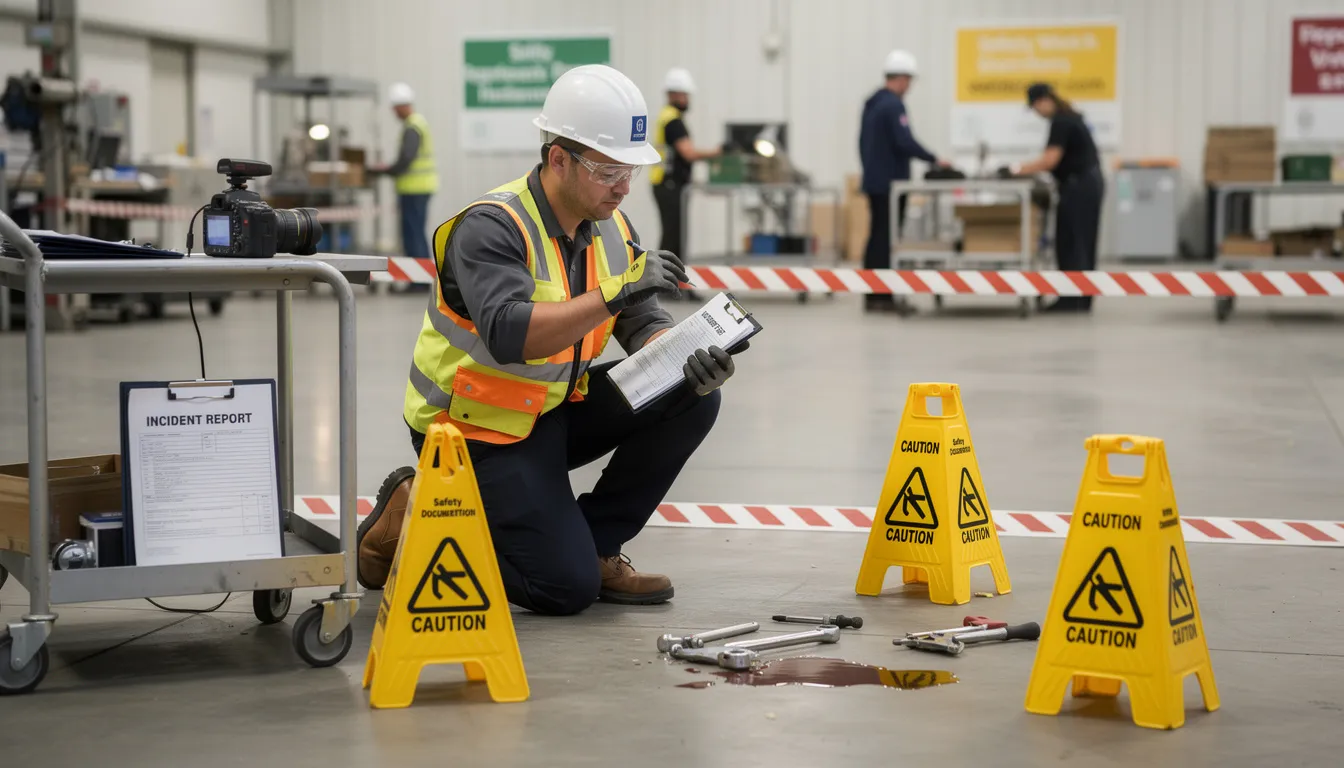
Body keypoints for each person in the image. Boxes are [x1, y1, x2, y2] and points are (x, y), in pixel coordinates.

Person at [356, 64, 746, 616]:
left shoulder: (613, 224)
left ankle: (596, 546)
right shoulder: (492, 227)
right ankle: (415, 513)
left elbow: (640, 319)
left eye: (630, 170)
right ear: (558, 158)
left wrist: (680, 354)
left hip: (552, 408)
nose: (623, 187)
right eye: (608, 170)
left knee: (692, 396)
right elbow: (510, 334)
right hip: (474, 429)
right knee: (563, 589)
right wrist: (614, 293)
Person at [858, 49, 950, 314]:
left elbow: (862, 144)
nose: (909, 86)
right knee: (885, 239)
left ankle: (874, 295)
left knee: (877, 237)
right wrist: (934, 159)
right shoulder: (893, 105)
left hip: (875, 181)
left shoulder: (872, 103)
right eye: (909, 80)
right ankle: (883, 297)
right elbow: (904, 141)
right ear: (901, 78)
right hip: (890, 184)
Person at [1002, 83, 1104, 313]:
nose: (1037, 113)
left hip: (1078, 186)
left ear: (1044, 100)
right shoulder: (1070, 117)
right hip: (1086, 184)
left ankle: (1072, 299)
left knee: (1072, 241)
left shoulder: (1061, 121)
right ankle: (1081, 299)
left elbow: (1049, 160)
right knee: (1083, 241)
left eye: (1035, 106)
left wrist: (1016, 169)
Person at [650, 67, 722, 265]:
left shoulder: (667, 116)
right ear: (675, 94)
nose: (688, 100)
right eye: (685, 95)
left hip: (666, 184)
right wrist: (717, 152)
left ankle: (672, 278)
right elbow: (688, 153)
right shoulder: (673, 120)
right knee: (673, 237)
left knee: (673, 235)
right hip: (669, 184)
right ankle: (669, 279)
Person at [373, 82, 439, 265]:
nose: (394, 113)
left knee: (413, 234)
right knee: (415, 232)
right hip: (418, 188)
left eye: (395, 108)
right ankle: (421, 273)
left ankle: (420, 275)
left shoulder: (412, 127)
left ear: (402, 106)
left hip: (415, 189)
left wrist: (387, 170)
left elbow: (406, 159)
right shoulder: (417, 124)